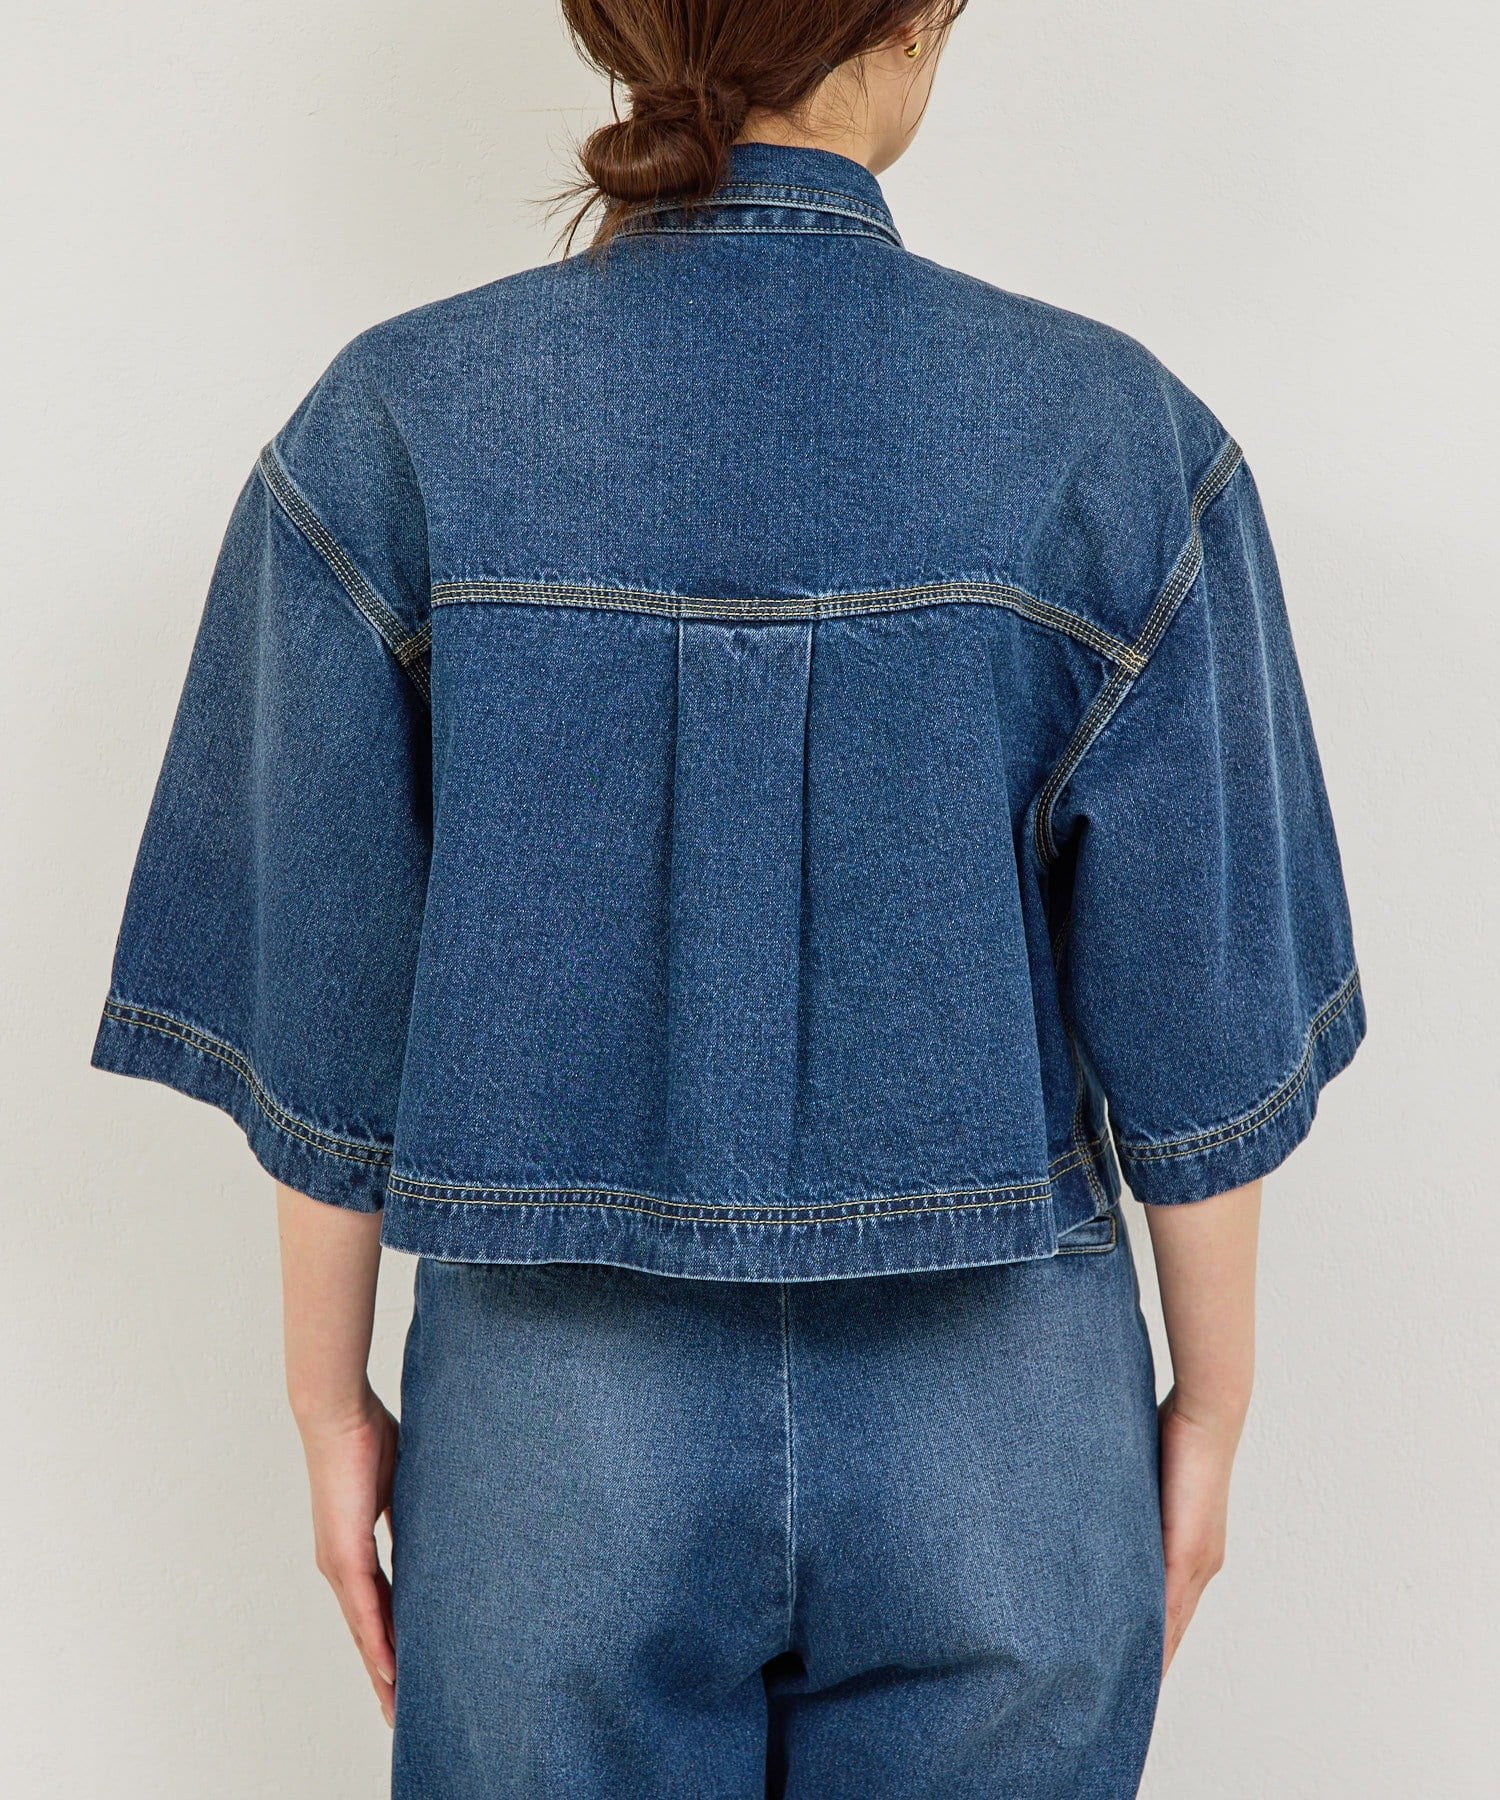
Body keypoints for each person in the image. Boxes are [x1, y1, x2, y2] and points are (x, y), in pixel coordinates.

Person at [91, 2, 1366, 1794]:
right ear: (913, 22)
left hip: (555, 1420)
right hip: (999, 1411)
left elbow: (327, 1000)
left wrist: (326, 1400)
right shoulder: (1117, 439)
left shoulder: (398, 422)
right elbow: (1201, 1018)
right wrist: (1213, 1410)